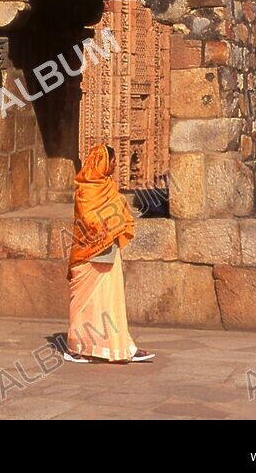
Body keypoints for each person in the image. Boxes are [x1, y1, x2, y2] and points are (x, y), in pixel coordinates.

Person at [64, 142, 154, 364]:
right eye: (112, 162)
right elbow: (89, 220)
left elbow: (120, 210)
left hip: (108, 251)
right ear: (102, 162)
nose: (114, 166)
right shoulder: (86, 189)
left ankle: (120, 346)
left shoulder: (107, 186)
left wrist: (118, 215)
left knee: (109, 302)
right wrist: (114, 219)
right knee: (83, 303)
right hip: (87, 253)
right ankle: (77, 347)